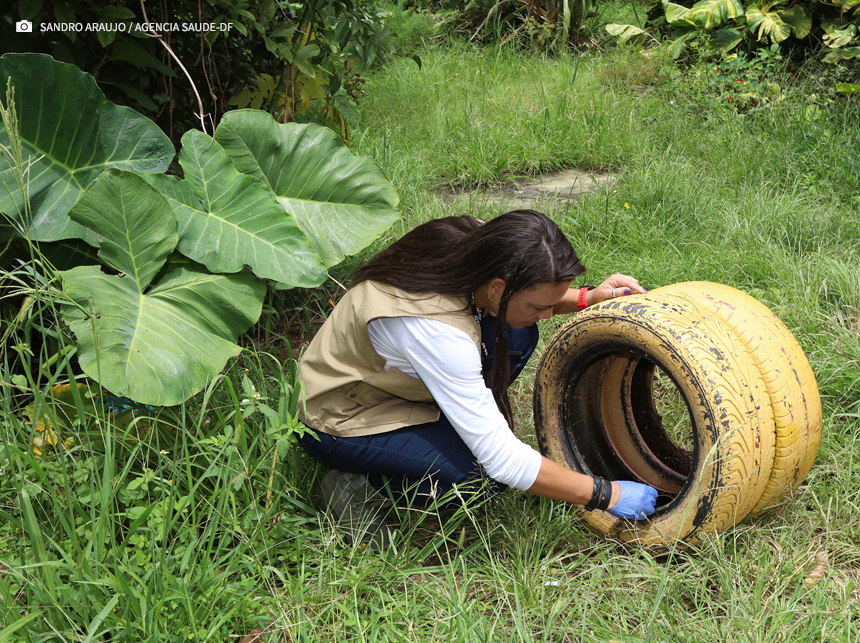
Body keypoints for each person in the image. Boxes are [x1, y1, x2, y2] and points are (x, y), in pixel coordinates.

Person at [297, 210, 658, 548]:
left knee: (515, 335)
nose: (549, 314)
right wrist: (604, 493)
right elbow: (505, 463)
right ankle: (355, 485)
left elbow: (531, 297)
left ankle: (455, 423)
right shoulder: (437, 334)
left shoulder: (483, 246)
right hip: (341, 415)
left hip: (393, 383)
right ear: (498, 289)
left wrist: (585, 297)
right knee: (481, 479)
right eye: (539, 306)